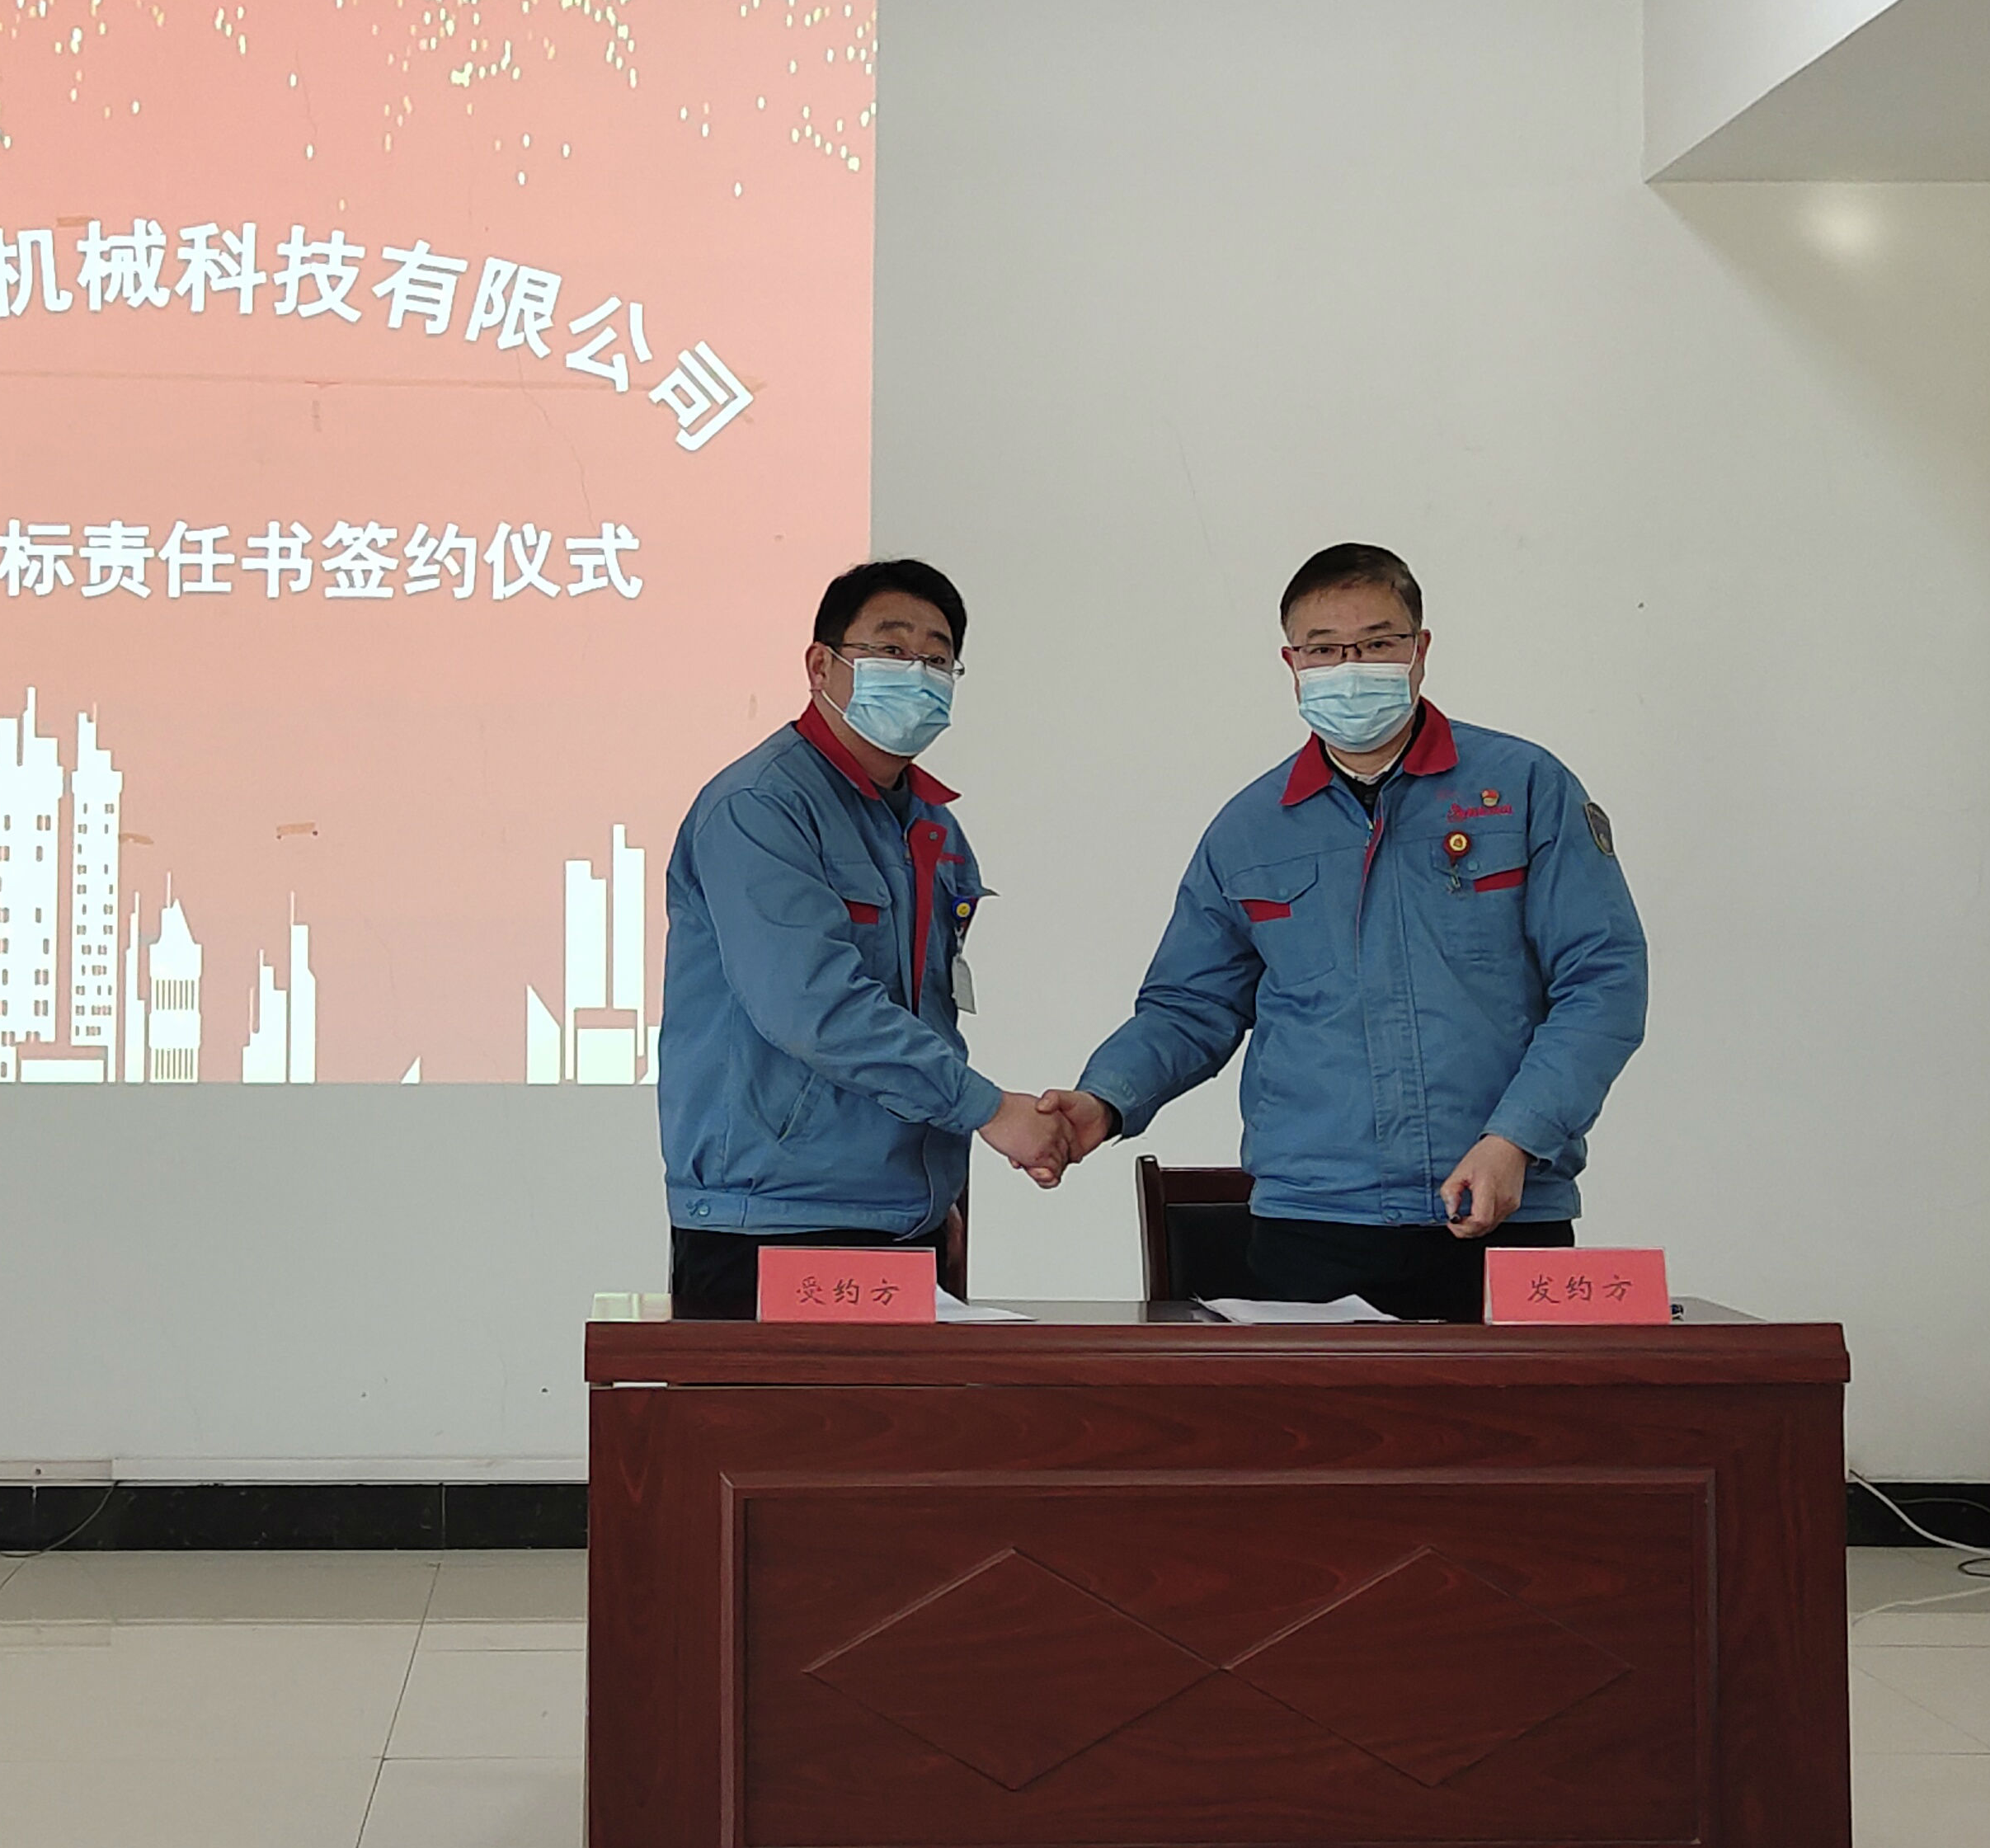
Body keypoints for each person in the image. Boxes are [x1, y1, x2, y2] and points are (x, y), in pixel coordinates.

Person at [1043, 544, 1647, 1323]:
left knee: (1516, 1411)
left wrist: (1517, 1138)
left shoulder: (1525, 788)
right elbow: (1190, 1008)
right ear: (1291, 663)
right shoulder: (1252, 828)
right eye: (1324, 649)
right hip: (1312, 1222)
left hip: (1506, 1205)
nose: (1350, 667)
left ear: (1420, 649)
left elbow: (1603, 980)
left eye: (1377, 643)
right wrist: (1105, 1098)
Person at [659, 559, 1072, 1319]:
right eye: (890, 649)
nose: (916, 672)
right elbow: (814, 1007)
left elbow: (929, 1013)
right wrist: (990, 1111)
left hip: (904, 1218)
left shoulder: (932, 826)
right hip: (774, 1221)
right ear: (821, 665)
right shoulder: (760, 807)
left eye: (937, 659)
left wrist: (937, 1187)